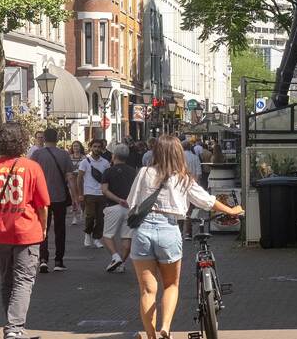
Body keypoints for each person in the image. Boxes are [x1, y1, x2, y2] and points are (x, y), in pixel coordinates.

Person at [127, 135, 244, 339]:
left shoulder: (144, 172)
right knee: (171, 285)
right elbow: (207, 201)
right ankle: (165, 327)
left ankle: (151, 336)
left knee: (147, 290)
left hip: (143, 231)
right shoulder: (183, 178)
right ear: (178, 153)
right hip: (169, 230)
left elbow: (132, 203)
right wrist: (232, 211)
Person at [0, 122, 49, 339]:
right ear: (22, 141)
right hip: (27, 230)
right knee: (24, 279)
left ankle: (12, 324)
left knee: (7, 279)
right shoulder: (31, 167)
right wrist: (44, 228)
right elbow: (42, 205)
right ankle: (15, 327)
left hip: (0, 232)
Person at [30, 128, 77, 273]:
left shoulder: (37, 154)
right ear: (57, 138)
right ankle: (58, 260)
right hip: (59, 197)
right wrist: (75, 198)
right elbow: (70, 178)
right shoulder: (64, 155)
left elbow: (31, 177)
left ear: (44, 138)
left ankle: (43, 259)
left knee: (43, 228)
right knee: (60, 229)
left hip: (41, 198)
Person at [101, 144, 137, 273]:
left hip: (113, 206)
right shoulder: (133, 171)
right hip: (130, 207)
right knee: (127, 237)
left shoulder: (108, 171)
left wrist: (118, 200)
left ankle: (115, 257)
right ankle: (122, 263)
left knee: (107, 235)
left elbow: (104, 190)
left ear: (114, 156)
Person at [78, 139, 111, 248]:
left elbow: (108, 179)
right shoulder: (85, 162)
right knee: (90, 216)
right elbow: (79, 178)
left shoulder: (105, 163)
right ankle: (87, 234)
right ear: (91, 147)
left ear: (102, 148)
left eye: (98, 147)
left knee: (101, 218)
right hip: (89, 193)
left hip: (102, 194)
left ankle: (97, 238)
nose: (96, 149)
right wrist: (80, 194)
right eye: (94, 146)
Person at [180, 140, 202, 239]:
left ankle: (179, 231)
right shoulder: (195, 157)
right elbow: (199, 173)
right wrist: (195, 184)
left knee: (180, 209)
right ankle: (188, 233)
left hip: (179, 187)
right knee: (189, 211)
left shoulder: (178, 158)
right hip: (191, 187)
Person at [68, 141, 86, 226]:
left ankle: (82, 210)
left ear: (80, 147)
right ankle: (74, 216)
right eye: (74, 146)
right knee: (73, 198)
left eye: (77, 146)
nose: (75, 148)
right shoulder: (69, 157)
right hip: (72, 180)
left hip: (81, 179)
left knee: (81, 196)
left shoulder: (84, 158)